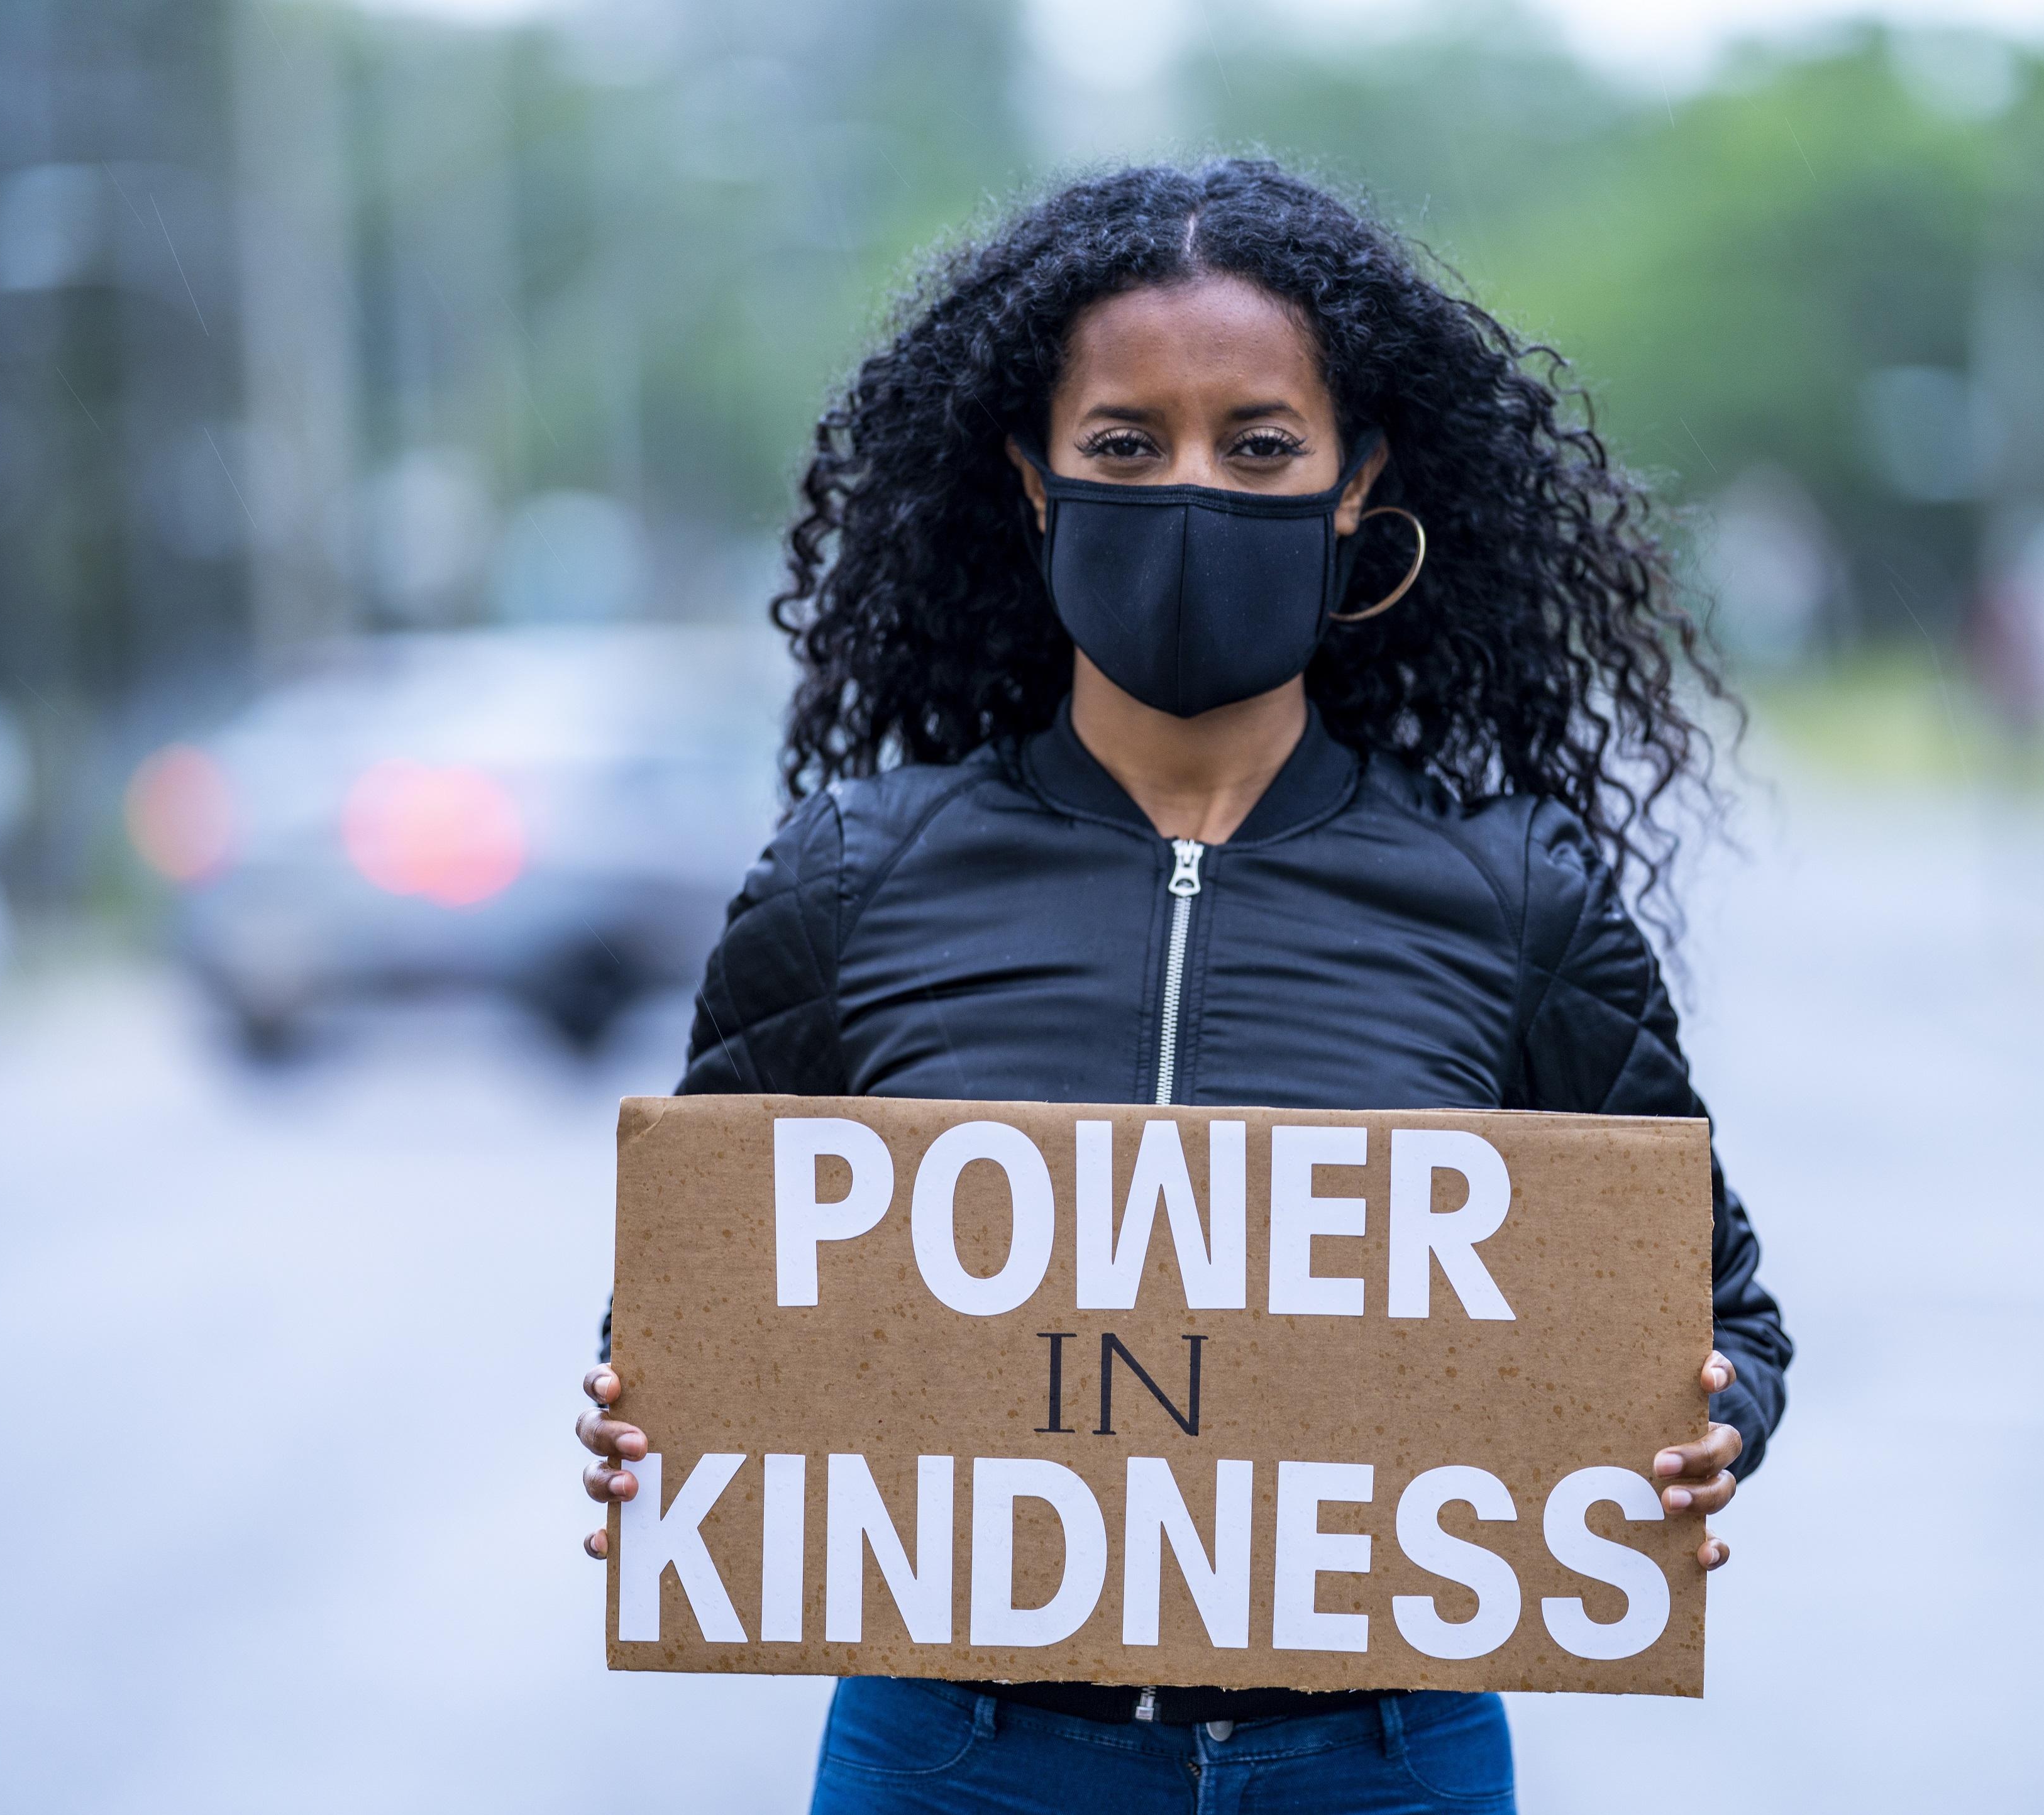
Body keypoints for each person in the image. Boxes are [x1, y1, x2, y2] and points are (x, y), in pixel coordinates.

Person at [574, 157, 1791, 1815]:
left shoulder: (1508, 899)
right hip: (957, 1759)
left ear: (1358, 482)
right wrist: (647, 1422)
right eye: (1127, 446)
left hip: (1379, 1762)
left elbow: (1714, 1313)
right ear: (1031, 476)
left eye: (1260, 445)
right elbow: (706, 1299)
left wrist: (1711, 1425)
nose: (1193, 488)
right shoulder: (850, 881)